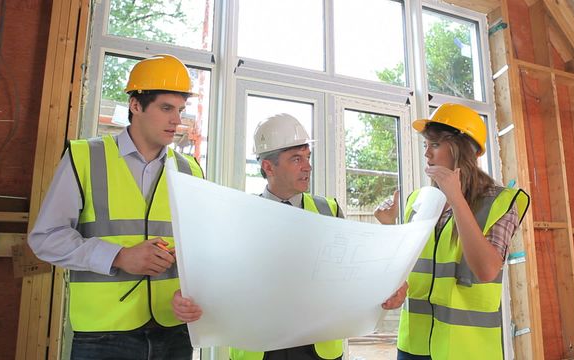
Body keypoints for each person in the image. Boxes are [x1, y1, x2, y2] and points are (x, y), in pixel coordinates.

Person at [172, 113, 406, 360]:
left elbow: (355, 271)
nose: (307, 166)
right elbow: (214, 277)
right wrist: (185, 297)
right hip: (259, 347)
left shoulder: (328, 210)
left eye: (308, 157)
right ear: (268, 166)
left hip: (317, 347)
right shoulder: (238, 215)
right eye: (296, 159)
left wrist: (388, 286)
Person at [28, 54, 204, 360]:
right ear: (136, 106)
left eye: (180, 110)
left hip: (175, 330)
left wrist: (194, 295)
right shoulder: (85, 157)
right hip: (104, 335)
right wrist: (119, 256)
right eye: (166, 108)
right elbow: (46, 239)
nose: (177, 120)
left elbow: (204, 251)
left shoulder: (191, 170)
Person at [374, 103, 530, 360]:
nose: (427, 154)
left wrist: (456, 199)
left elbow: (486, 270)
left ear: (463, 149)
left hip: (466, 350)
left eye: (434, 145)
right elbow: (408, 264)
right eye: (426, 145)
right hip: (413, 346)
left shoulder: (500, 201)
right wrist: (389, 226)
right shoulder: (419, 200)